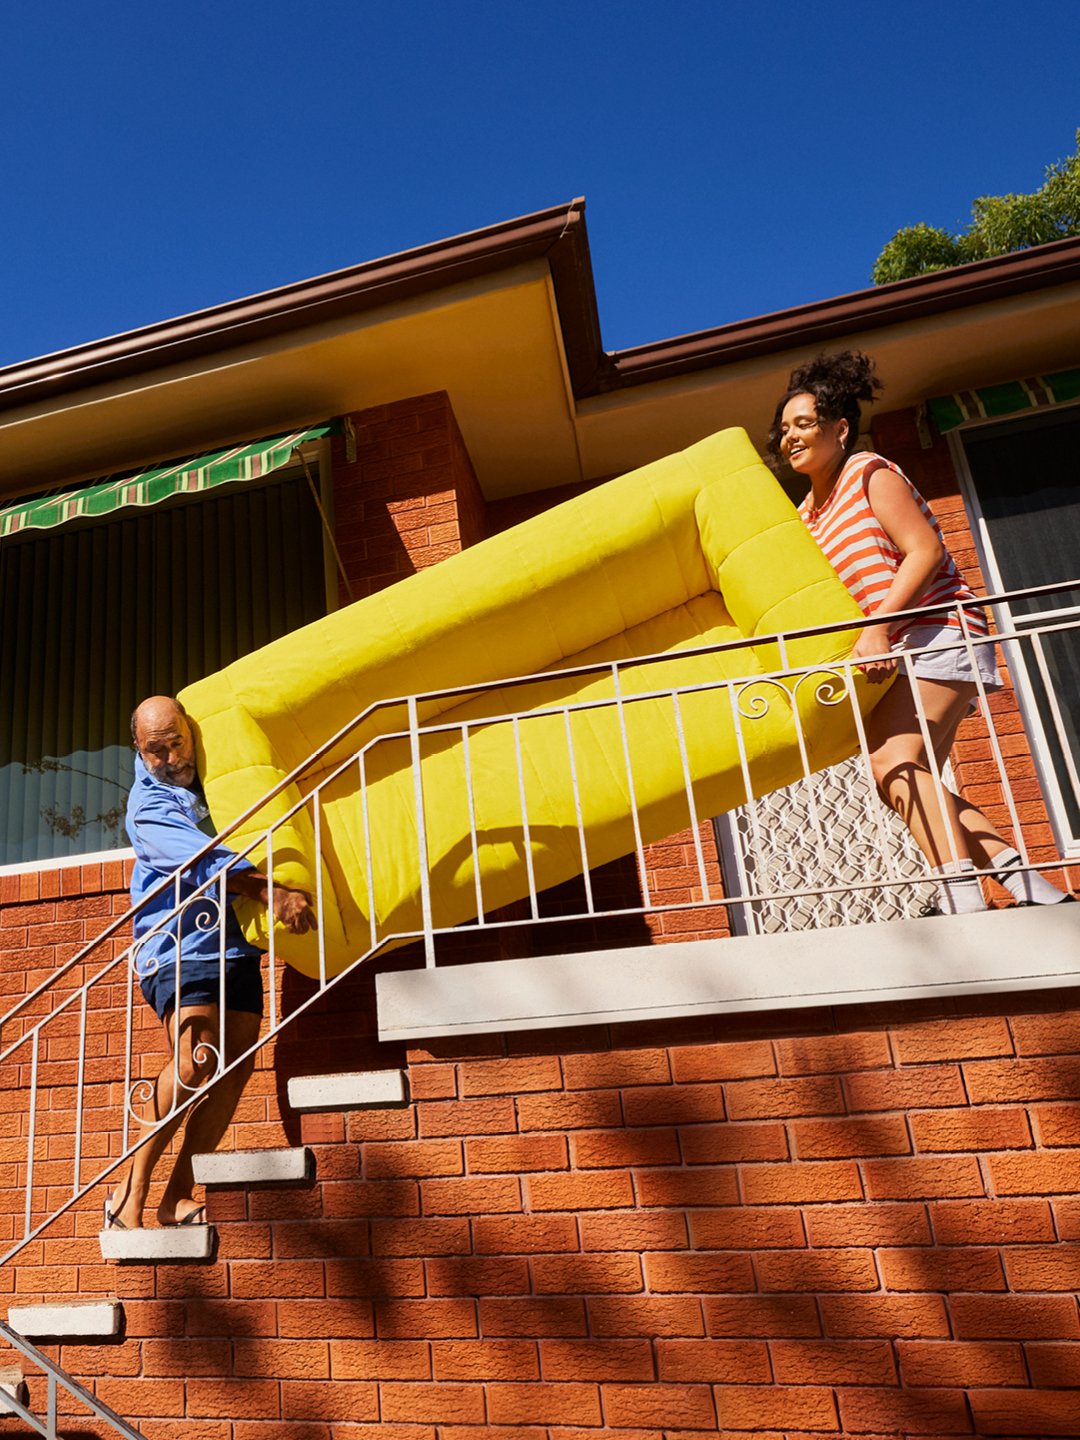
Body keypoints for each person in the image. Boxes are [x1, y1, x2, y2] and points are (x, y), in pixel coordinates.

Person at [767, 350, 1071, 916]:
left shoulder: (868, 471)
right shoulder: (805, 515)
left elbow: (925, 551)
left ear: (840, 428)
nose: (791, 437)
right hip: (898, 648)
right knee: (913, 778)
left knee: (893, 764)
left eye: (804, 423)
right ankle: (1038, 892)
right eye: (784, 429)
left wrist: (877, 629)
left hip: (939, 629)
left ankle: (964, 906)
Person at [105, 696, 316, 1229]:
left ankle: (177, 1194)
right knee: (196, 1060)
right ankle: (129, 1196)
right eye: (157, 750)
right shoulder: (147, 806)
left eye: (178, 743)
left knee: (237, 1063)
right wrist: (274, 892)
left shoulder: (216, 774)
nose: (172, 758)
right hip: (177, 943)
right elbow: (205, 862)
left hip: (233, 943)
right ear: (139, 749)